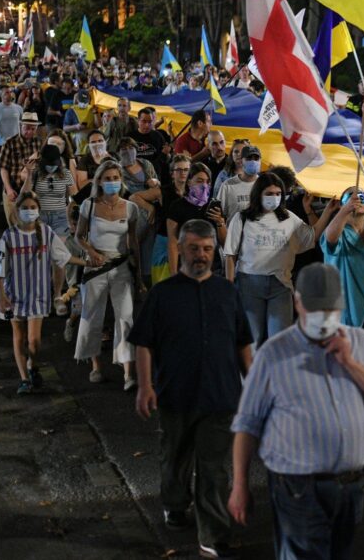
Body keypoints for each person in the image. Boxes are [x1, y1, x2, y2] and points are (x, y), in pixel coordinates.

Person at [228, 263, 364, 559]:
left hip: (351, 486)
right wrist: (240, 485)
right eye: (315, 310)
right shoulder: (273, 353)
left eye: (330, 311)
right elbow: (247, 424)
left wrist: (350, 363)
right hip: (297, 487)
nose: (323, 320)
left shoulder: (361, 343)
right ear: (297, 302)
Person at [131, 218, 253, 560]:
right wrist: (145, 386)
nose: (201, 255)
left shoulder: (228, 292)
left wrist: (253, 386)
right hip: (175, 395)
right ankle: (174, 502)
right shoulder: (162, 295)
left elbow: (243, 342)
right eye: (195, 248)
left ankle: (212, 536)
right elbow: (143, 343)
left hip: (220, 396)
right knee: (175, 457)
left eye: (208, 249)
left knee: (214, 469)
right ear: (181, 248)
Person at [223, 172, 337, 346]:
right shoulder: (242, 218)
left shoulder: (289, 218)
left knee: (280, 342)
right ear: (258, 193)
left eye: (278, 194)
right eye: (269, 193)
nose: (274, 198)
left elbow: (311, 236)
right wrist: (229, 286)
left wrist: (327, 211)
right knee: (250, 343)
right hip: (249, 286)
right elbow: (230, 254)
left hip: (280, 285)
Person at [0, 192, 83, 395]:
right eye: (24, 208)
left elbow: (63, 258)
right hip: (13, 293)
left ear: (39, 210)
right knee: (19, 337)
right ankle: (24, 379)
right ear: (17, 211)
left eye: (32, 208)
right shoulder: (8, 236)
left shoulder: (45, 232)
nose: (29, 211)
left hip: (37, 293)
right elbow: (0, 269)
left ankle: (31, 365)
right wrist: (1, 296)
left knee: (34, 341)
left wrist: (88, 262)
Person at [74, 160, 142, 390]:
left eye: (116, 178)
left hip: (121, 265)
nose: (112, 182)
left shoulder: (130, 207)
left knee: (125, 317)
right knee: (93, 315)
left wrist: (138, 274)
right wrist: (91, 252)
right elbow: (79, 236)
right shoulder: (89, 205)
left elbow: (133, 240)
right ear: (99, 181)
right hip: (95, 267)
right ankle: (95, 366)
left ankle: (128, 373)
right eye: (108, 178)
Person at [322, 187, 364, 340]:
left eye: (362, 196)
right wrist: (344, 211)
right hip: (346, 312)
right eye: (350, 196)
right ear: (342, 205)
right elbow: (330, 239)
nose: (357, 199)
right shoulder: (339, 232)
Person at [166, 162, 227, 275]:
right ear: (189, 182)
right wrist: (174, 274)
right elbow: (173, 242)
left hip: (213, 268)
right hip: (187, 265)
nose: (204, 185)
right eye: (199, 181)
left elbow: (224, 243)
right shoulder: (177, 206)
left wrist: (220, 222)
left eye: (207, 182)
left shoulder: (214, 206)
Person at [21, 144, 78, 240]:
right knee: (42, 247)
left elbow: (75, 196)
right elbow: (24, 195)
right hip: (40, 215)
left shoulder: (66, 173)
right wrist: (29, 173)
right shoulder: (36, 173)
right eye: (49, 164)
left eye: (54, 164)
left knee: (57, 249)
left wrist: (72, 219)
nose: (51, 167)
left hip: (61, 216)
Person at [0, 111, 42, 226]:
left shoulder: (38, 143)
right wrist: (8, 189)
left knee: (30, 225)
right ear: (21, 126)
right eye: (27, 128)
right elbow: (3, 168)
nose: (29, 132)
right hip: (14, 188)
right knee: (14, 224)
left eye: (33, 129)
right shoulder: (10, 143)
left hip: (31, 191)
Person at [151, 155, 190, 285]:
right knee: (161, 283)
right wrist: (151, 208)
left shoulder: (193, 192)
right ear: (172, 173)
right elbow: (135, 197)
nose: (182, 173)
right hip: (164, 240)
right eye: (179, 170)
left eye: (186, 170)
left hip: (185, 241)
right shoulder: (163, 191)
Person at [216, 145, 260, 223]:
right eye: (249, 158)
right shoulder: (228, 185)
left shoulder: (265, 184)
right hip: (234, 233)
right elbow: (219, 215)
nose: (253, 162)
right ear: (241, 161)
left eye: (256, 159)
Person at [131, 106, 172, 178]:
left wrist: (167, 154)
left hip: (155, 176)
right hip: (135, 178)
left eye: (149, 122)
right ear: (138, 120)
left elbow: (164, 160)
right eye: (144, 121)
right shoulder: (130, 137)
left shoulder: (158, 136)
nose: (147, 125)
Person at [0, 86, 23, 154]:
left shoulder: (19, 108)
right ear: (1, 95)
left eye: (10, 92)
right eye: (7, 92)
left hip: (16, 143)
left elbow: (22, 125)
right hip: (1, 143)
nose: (10, 94)